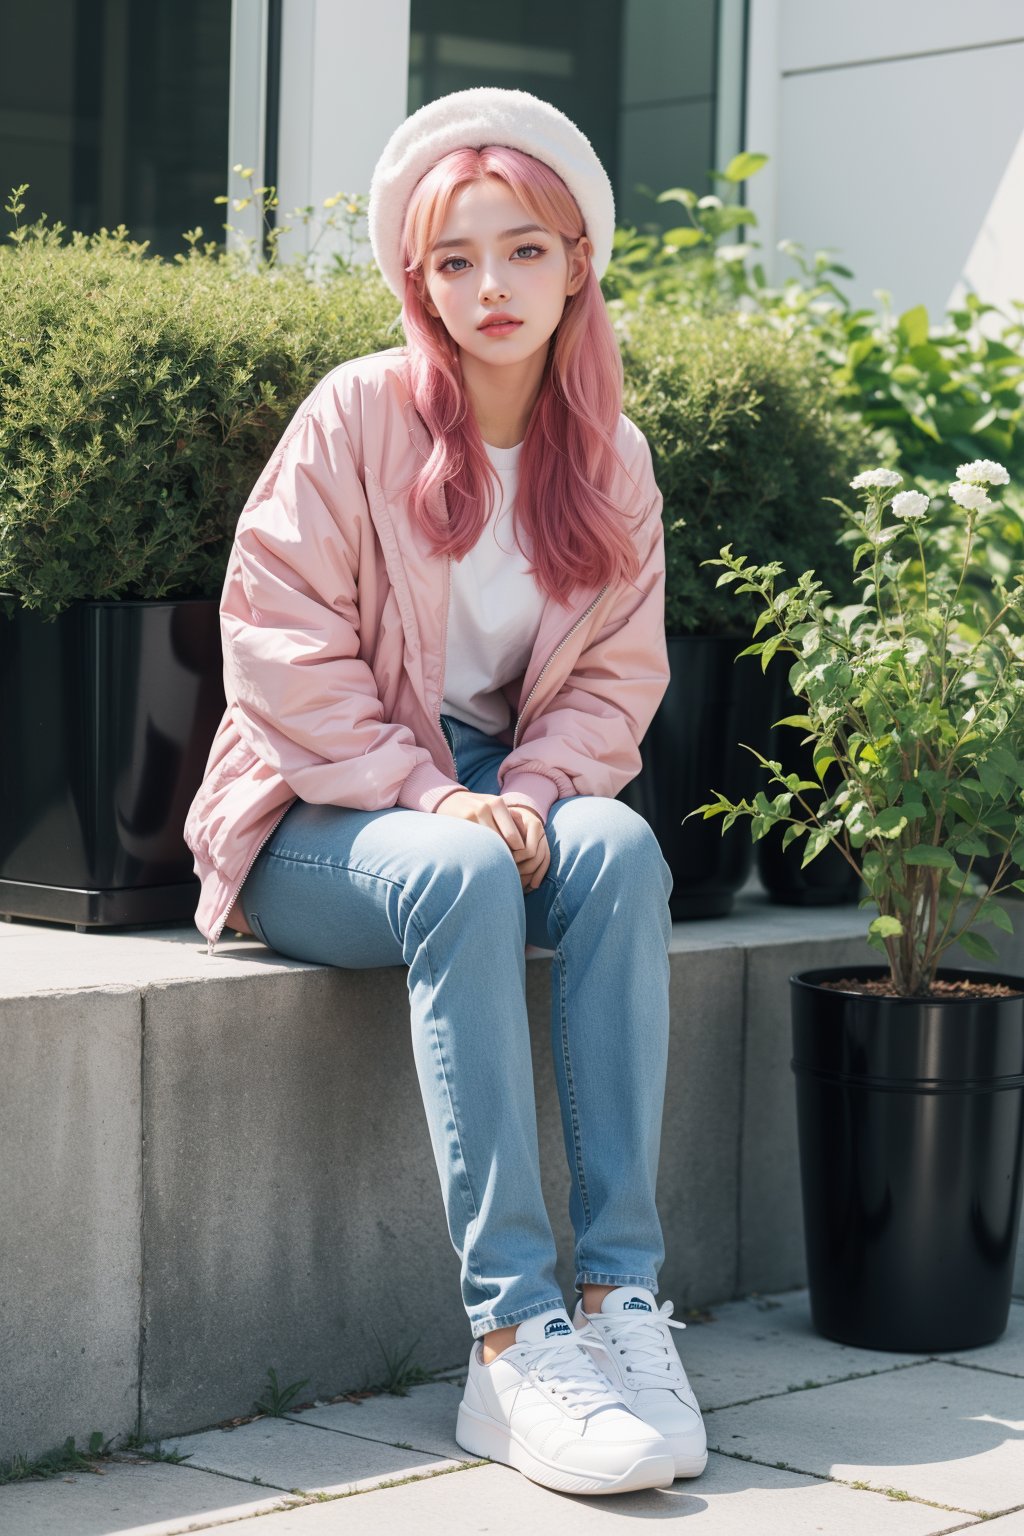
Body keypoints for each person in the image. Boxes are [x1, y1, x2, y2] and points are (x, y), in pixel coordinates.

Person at [183, 86, 707, 1498]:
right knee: (465, 869)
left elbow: (615, 683)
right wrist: (431, 794)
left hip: (494, 798)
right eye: (455, 259)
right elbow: (277, 645)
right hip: (318, 813)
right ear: (417, 278)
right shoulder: (357, 414)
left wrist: (528, 785)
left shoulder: (613, 459)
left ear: (578, 262)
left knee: (617, 849)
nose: (490, 287)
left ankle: (620, 1306)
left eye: (523, 250)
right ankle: (514, 1342)